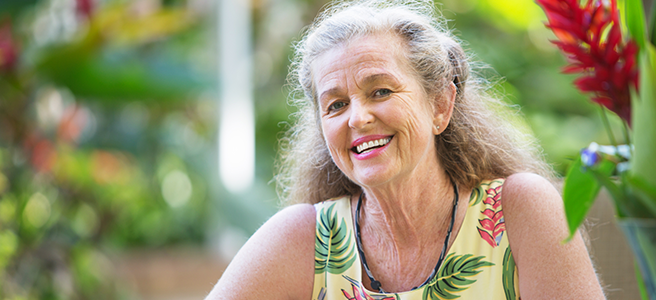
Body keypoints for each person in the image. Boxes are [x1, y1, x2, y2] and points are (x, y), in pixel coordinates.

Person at [207, 0, 605, 299]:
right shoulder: (304, 238)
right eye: (336, 105)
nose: (357, 118)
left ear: (440, 105)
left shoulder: (519, 210)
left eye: (380, 91)